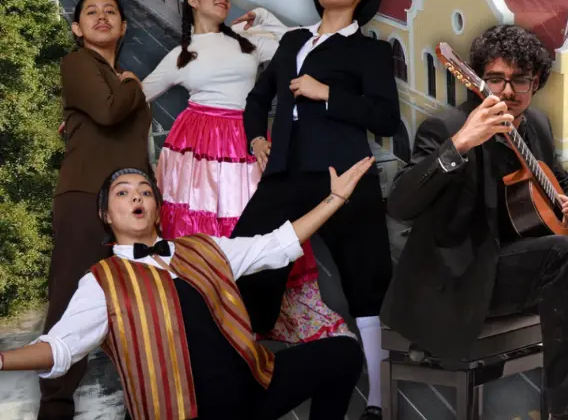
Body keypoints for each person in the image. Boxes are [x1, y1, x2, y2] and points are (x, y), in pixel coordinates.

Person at [386, 24, 568, 420]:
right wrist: (459, 145)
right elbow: (400, 203)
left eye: (519, 80)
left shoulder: (536, 125)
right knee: (560, 253)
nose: (507, 91)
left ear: (535, 82)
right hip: (463, 278)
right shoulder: (447, 129)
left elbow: (560, 180)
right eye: (495, 79)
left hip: (519, 267)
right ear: (476, 81)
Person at [0, 160, 376, 420]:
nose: (136, 197)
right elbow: (59, 348)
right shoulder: (101, 282)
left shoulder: (204, 247)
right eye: (123, 193)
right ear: (106, 215)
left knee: (342, 353)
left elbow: (277, 245)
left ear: (157, 208)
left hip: (251, 389)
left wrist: (335, 199)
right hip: (180, 412)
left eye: (145, 191)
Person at [232, 0, 401, 420]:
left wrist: (329, 93)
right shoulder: (291, 42)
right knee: (246, 268)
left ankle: (378, 401)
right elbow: (257, 97)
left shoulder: (369, 51)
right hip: (284, 173)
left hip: (345, 175)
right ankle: (243, 379)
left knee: (365, 284)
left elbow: (385, 118)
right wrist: (255, 140)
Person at [141, 0, 349, 344]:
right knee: (205, 227)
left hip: (246, 138)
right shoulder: (179, 55)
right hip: (196, 145)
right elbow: (140, 93)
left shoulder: (248, 41)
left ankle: (254, 318)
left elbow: (302, 45)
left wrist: (266, 18)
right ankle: (213, 322)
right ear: (192, 1)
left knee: (254, 223)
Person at [39, 0, 153, 420]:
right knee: (69, 303)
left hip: (128, 207)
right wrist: (131, 85)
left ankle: (146, 404)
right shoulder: (79, 64)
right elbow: (108, 114)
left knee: (134, 305)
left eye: (111, 12)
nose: (102, 17)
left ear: (123, 27)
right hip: (87, 197)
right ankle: (54, 407)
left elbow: (115, 126)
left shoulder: (117, 75)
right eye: (91, 12)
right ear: (76, 28)